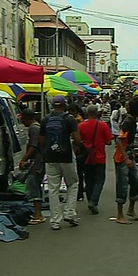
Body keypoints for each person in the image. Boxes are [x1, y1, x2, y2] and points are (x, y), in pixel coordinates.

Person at [39, 95, 83, 230]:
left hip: (50, 158)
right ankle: (69, 213)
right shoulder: (69, 119)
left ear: (52, 105)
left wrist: (47, 150)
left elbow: (41, 141)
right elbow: (77, 139)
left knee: (53, 189)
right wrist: (75, 146)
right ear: (65, 105)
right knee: (73, 184)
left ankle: (54, 220)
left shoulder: (45, 119)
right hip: (66, 156)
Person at [78, 105, 113, 215]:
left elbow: (78, 141)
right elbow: (109, 141)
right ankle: (94, 201)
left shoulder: (81, 126)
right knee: (99, 180)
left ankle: (90, 201)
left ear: (87, 114)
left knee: (89, 180)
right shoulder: (103, 125)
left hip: (86, 158)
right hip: (99, 157)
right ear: (98, 113)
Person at [114, 98, 138, 224]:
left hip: (129, 155)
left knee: (135, 182)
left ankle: (130, 209)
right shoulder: (128, 122)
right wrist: (126, 158)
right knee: (122, 186)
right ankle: (119, 214)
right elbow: (119, 140)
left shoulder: (132, 121)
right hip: (122, 157)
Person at [18, 109, 46, 225]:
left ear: (26, 118)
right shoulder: (37, 127)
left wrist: (23, 159)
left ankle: (38, 214)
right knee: (34, 185)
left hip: (37, 162)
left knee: (33, 186)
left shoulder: (34, 128)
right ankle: (37, 213)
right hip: (40, 160)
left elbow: (33, 146)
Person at [68, 103, 86, 201]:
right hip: (79, 147)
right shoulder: (78, 119)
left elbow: (77, 136)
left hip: (78, 147)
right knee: (79, 171)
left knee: (78, 171)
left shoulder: (77, 120)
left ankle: (79, 192)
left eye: (71, 111)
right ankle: (80, 192)